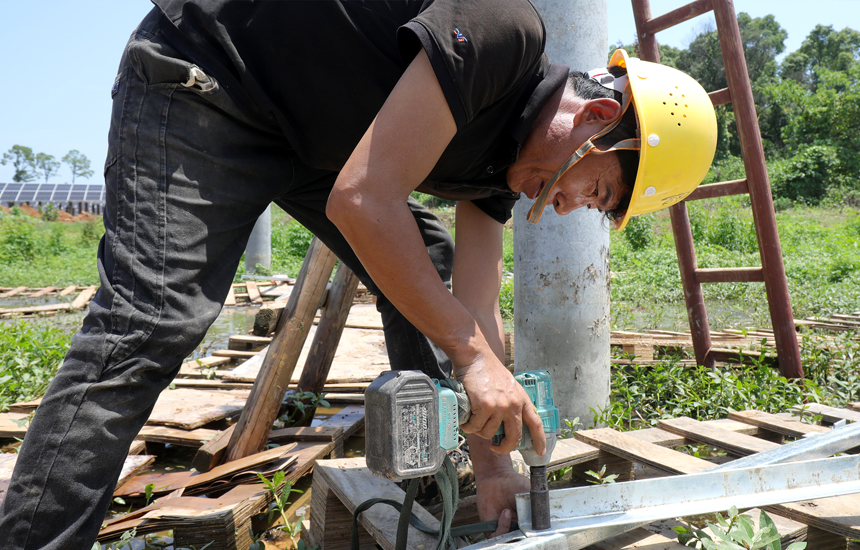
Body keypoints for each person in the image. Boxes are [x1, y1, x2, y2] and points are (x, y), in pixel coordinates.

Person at [0, 1, 717, 548]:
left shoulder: (500, 166)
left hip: (308, 141)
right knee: (153, 317)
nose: (566, 207)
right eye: (593, 191)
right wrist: (468, 354)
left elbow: (469, 296)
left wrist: (496, 461)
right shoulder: (504, 29)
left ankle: (427, 495)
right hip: (205, 79)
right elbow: (363, 198)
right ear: (595, 117)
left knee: (426, 280)